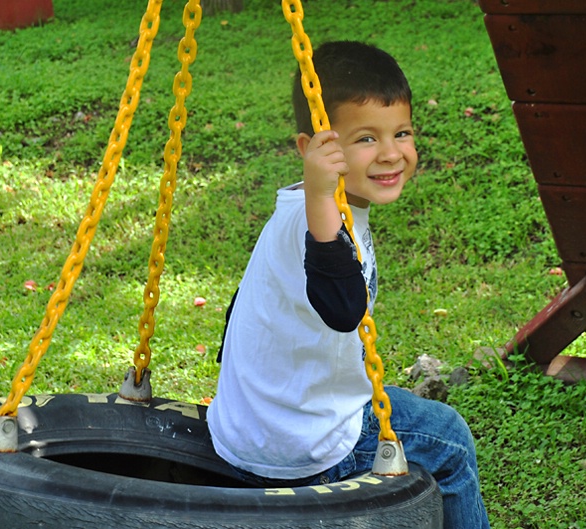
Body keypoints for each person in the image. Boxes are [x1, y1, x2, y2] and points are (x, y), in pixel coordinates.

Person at [206, 40, 490, 528]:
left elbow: (245, 308)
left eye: (401, 132)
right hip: (306, 445)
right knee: (450, 439)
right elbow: (342, 310)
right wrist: (322, 197)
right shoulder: (318, 216)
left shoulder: (292, 208)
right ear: (311, 150)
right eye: (364, 139)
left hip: (244, 430)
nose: (390, 154)